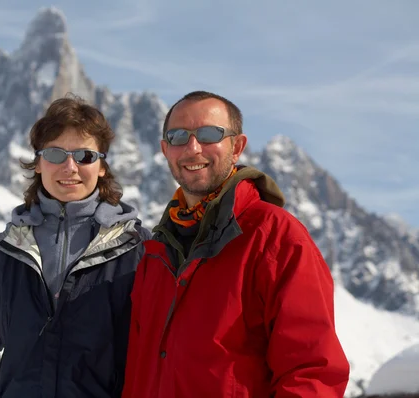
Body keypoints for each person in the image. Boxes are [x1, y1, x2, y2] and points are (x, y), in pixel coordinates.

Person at [122, 91, 350, 397]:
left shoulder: (275, 236)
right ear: (165, 149)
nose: (192, 148)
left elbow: (312, 373)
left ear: (237, 146)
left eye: (208, 134)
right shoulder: (155, 252)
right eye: (178, 136)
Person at [0, 96, 151, 398]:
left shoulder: (139, 251)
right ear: (39, 163)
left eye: (84, 156)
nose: (70, 167)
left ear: (102, 167)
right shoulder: (0, 254)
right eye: (56, 154)